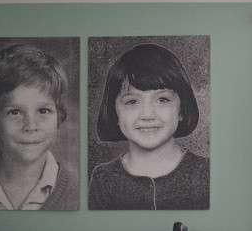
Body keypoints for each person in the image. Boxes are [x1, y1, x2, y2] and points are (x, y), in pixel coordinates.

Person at [89, 43, 209, 210]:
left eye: (163, 100)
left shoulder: (206, 174)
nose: (147, 115)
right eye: (132, 102)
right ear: (114, 112)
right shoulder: (103, 179)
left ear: (182, 109)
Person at [0, 44, 77, 210]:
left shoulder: (79, 192)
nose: (31, 126)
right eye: (15, 112)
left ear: (59, 117)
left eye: (43, 110)